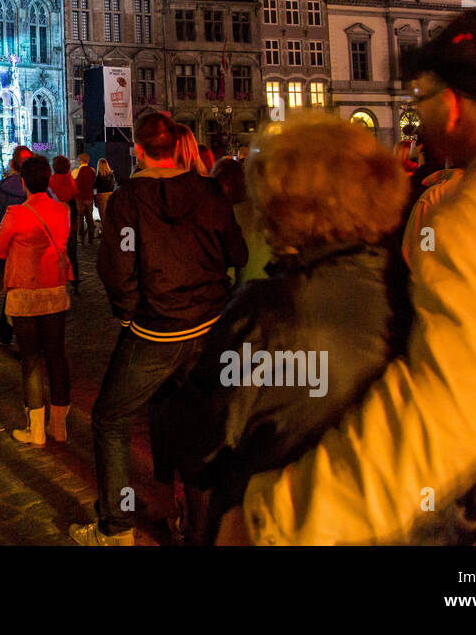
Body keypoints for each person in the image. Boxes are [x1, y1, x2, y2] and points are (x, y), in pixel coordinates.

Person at [237, 9, 476, 545]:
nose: (415, 117)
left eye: (419, 100)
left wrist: (279, 518)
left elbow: (449, 413)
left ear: (449, 106)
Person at [152, 116, 413, 544]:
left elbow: (200, 440)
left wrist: (175, 398)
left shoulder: (270, 312)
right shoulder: (406, 288)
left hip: (271, 520)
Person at [71, 111, 247, 545]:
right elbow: (236, 252)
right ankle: (200, 523)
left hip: (156, 331)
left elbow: (116, 267)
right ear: (176, 147)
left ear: (140, 151)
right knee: (196, 420)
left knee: (111, 418)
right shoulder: (208, 192)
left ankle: (115, 527)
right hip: (207, 325)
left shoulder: (131, 199)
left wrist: (128, 312)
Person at [0, 155, 74, 447]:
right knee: (56, 355)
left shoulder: (16, 213)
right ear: (48, 180)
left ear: (23, 181)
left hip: (25, 292)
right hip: (54, 288)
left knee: (31, 359)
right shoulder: (63, 210)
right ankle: (60, 427)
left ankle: (36, 430)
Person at [0, 145, 33, 344]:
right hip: (26, 261)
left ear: (12, 163)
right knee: (19, 303)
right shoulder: (38, 190)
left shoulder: (2, 189)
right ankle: (21, 345)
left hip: (0, 259)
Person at [210, 157, 271, 286]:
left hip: (244, 297)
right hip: (275, 293)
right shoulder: (267, 213)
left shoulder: (226, 218)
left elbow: (228, 276)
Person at [48, 156, 80, 292]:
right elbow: (75, 198)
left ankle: (55, 280)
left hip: (55, 223)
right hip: (69, 221)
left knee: (54, 254)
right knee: (72, 253)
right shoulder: (69, 180)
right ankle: (75, 280)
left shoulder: (51, 181)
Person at [72, 154, 96, 244]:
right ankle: (91, 237)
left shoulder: (76, 171)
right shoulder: (92, 171)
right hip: (89, 197)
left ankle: (80, 238)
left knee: (80, 218)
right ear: (88, 161)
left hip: (79, 198)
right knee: (90, 218)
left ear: (80, 160)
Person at [93, 157, 116, 223]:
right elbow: (114, 184)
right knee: (110, 215)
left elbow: (94, 187)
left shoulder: (99, 177)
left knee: (103, 215)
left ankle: (105, 230)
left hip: (101, 196)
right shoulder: (111, 175)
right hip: (110, 195)